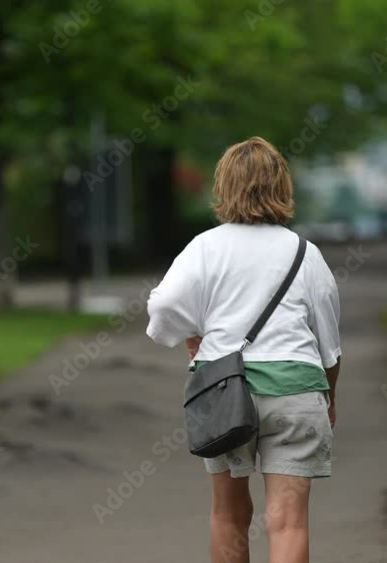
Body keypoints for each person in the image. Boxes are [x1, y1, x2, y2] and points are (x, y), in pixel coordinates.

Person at [146, 137, 342, 563]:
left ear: (225, 187)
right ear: (281, 187)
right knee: (287, 521)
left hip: (224, 390)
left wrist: (192, 338)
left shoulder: (205, 247)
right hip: (295, 393)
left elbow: (163, 306)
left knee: (229, 515)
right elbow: (328, 343)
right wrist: (330, 398)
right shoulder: (306, 254)